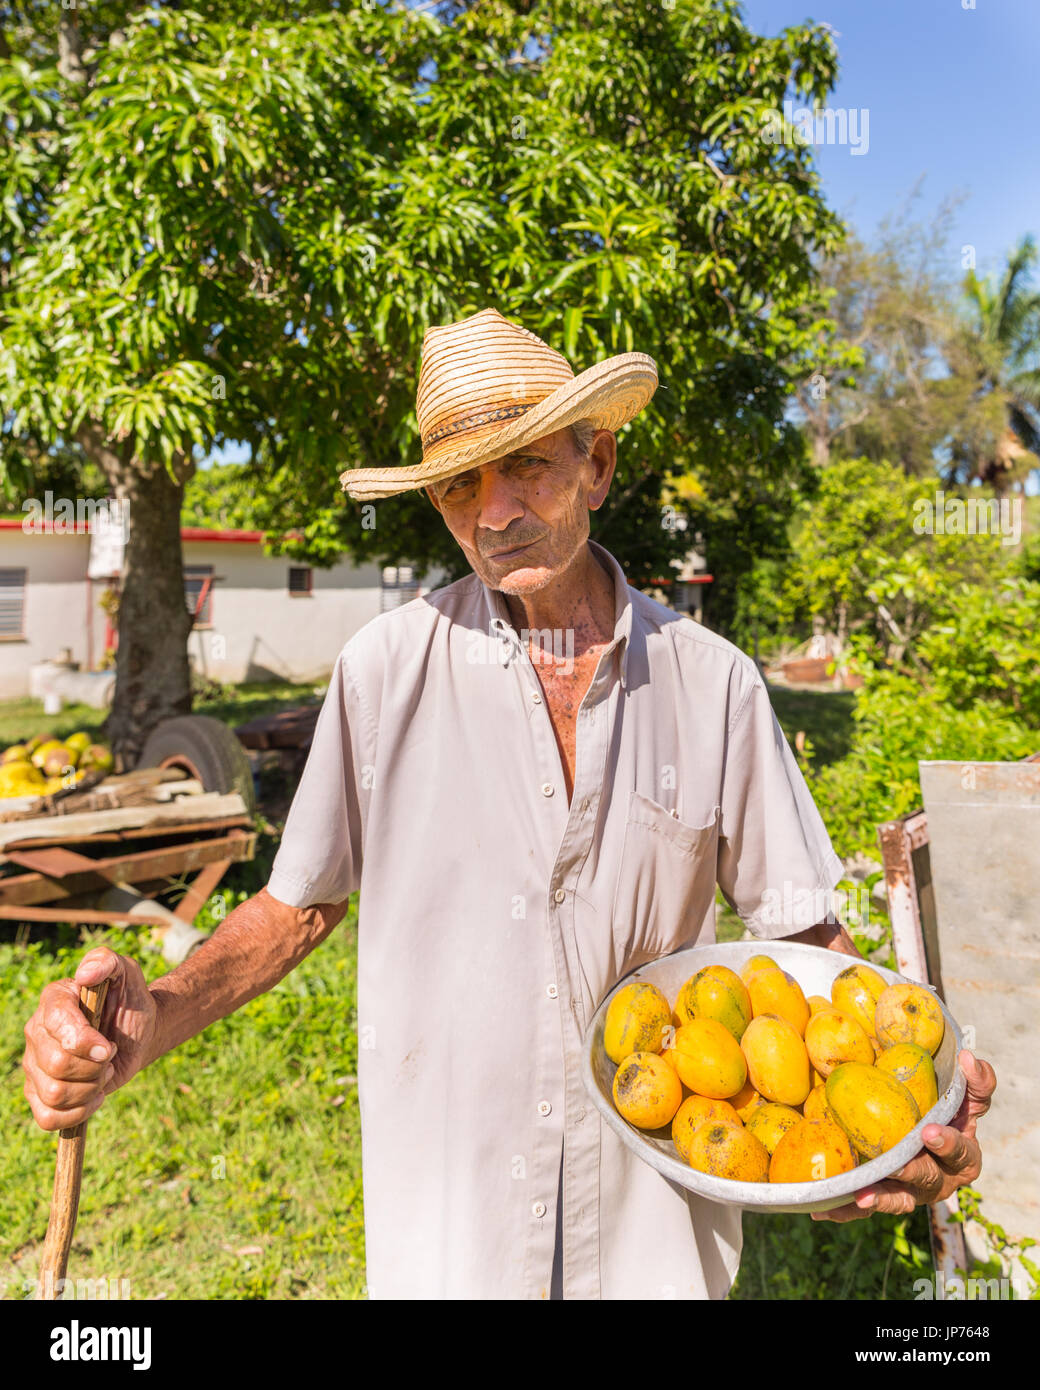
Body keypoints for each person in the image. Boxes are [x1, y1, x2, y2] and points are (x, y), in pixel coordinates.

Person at [22, 308, 995, 1300]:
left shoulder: (714, 685)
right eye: (458, 484)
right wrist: (155, 1014)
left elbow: (803, 936)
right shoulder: (382, 672)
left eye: (526, 463)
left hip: (652, 1242)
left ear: (598, 464)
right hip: (452, 1241)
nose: (493, 513)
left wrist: (902, 1086)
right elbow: (299, 903)